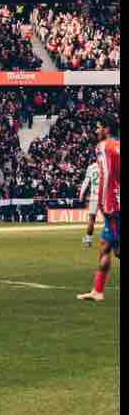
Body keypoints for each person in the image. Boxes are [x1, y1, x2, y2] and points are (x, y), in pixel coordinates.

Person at [78, 114, 120, 304]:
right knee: (105, 246)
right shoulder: (118, 145)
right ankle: (98, 291)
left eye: (98, 127)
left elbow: (107, 175)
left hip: (113, 204)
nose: (96, 131)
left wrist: (105, 204)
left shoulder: (103, 147)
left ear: (107, 129)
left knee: (118, 250)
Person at [79, 158, 101, 248]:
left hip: (94, 196)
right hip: (105, 196)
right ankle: (114, 239)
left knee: (92, 218)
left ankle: (88, 239)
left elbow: (86, 182)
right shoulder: (106, 165)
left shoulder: (91, 167)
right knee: (111, 219)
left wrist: (81, 194)